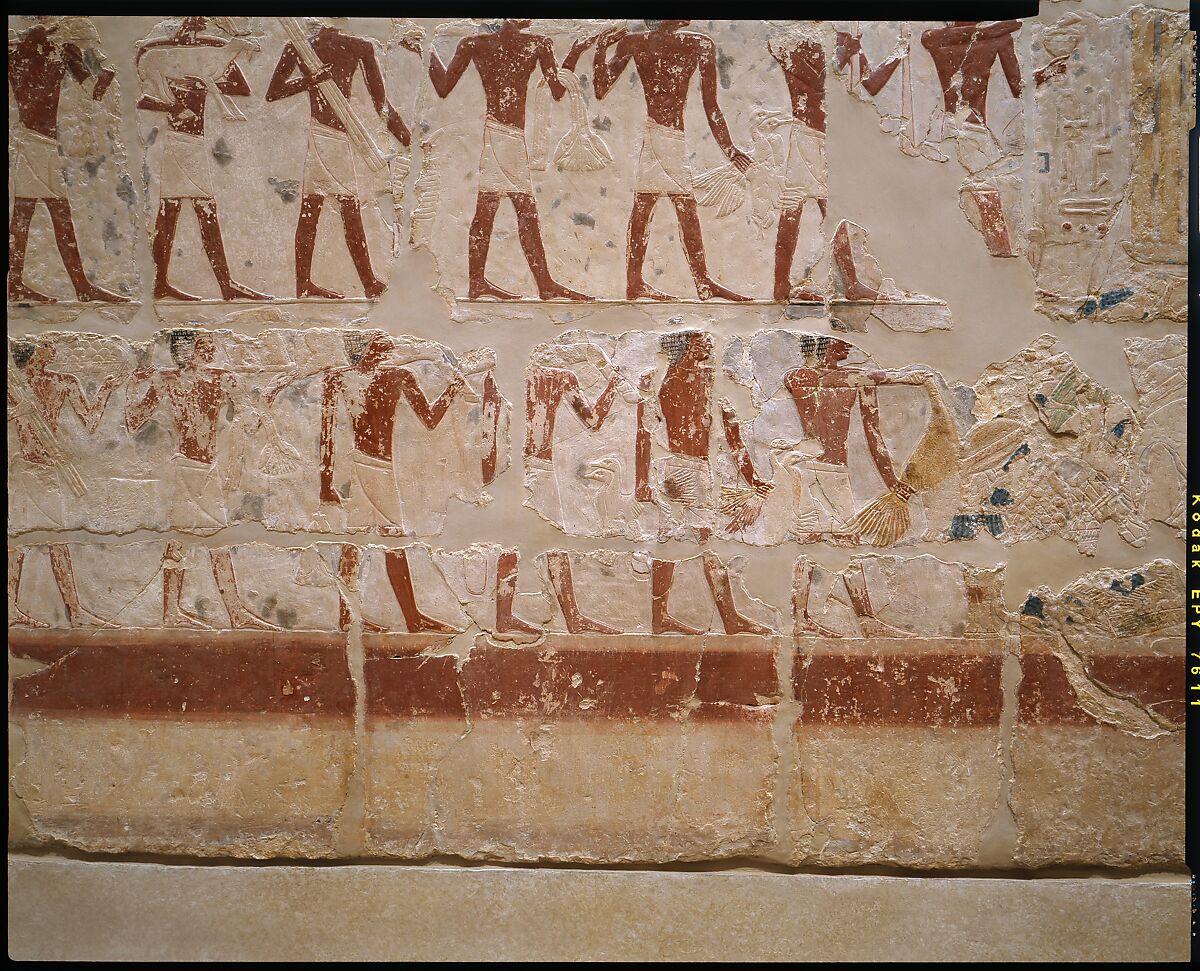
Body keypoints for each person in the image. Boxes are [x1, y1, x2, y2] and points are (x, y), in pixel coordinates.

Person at [420, 19, 593, 300]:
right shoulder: (535, 43)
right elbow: (558, 90)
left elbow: (442, 84)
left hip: (500, 134)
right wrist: (576, 51)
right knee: (522, 210)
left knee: (491, 209)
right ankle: (541, 285)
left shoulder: (476, 43)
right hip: (507, 137)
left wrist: (424, 49)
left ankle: (483, 283)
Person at [593, 20, 752, 301]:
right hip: (664, 137)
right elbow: (711, 106)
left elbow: (600, 87)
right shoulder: (693, 44)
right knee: (675, 206)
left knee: (653, 205)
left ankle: (644, 283)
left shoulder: (643, 42)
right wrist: (729, 149)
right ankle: (695, 282)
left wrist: (601, 50)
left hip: (664, 136)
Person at [267, 21, 411, 299]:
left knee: (324, 208)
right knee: (338, 208)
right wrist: (311, 79)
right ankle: (356, 282)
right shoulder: (299, 46)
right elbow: (273, 92)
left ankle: (316, 282)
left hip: (341, 138)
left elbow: (380, 103)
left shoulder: (360, 46)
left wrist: (405, 138)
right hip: (322, 135)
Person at [136, 17, 269, 301]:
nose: (194, 37)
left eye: (199, 32)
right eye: (191, 31)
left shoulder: (205, 57)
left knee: (174, 213)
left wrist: (204, 79)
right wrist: (174, 103)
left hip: (191, 144)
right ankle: (222, 286)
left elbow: (241, 87)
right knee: (190, 211)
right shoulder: (164, 60)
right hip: (181, 144)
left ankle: (184, 283)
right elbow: (144, 100)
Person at [8, 19, 128, 304]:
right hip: (38, 145)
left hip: (33, 142)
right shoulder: (58, 49)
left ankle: (20, 283)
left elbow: (92, 90)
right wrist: (106, 69)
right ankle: (80, 287)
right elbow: (95, 90)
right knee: (49, 215)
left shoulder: (20, 51)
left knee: (26, 215)